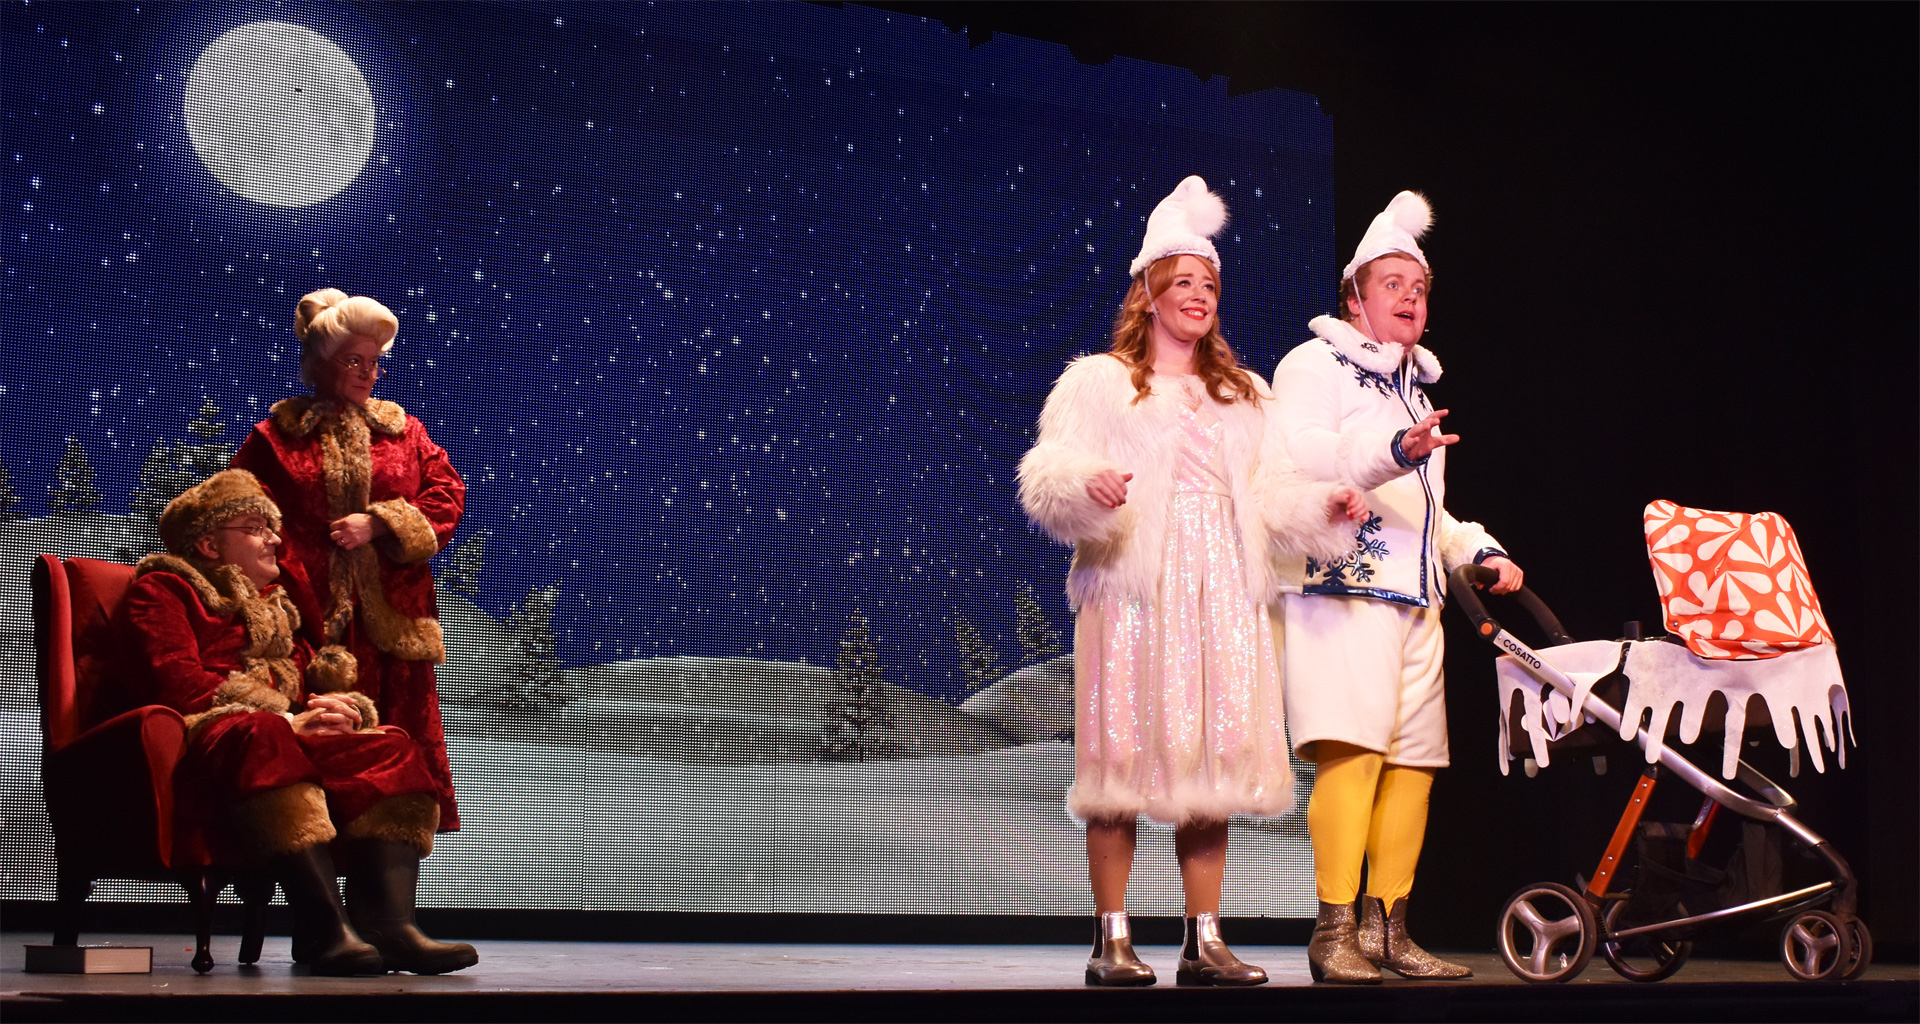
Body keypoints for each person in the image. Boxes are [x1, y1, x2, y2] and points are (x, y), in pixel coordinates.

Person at [1018, 176, 1368, 987]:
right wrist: (1088, 484)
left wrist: (1326, 506)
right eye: (1182, 282)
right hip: (1135, 594)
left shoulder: (1244, 395)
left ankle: (1203, 941)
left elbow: (1272, 494)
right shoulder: (1099, 382)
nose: (1199, 296)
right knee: (1119, 763)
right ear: (1149, 292)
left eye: (1209, 283)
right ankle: (1111, 940)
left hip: (1224, 595)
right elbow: (1047, 474)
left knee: (1213, 769)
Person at [1270, 191, 1525, 983]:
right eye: (1393, 285)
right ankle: (1334, 931)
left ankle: (1388, 930)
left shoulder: (1415, 389)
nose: (1410, 298)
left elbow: (1428, 514)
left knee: (1414, 764)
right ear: (1355, 297)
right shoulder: (1313, 364)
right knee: (1353, 753)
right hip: (1342, 592)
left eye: (1419, 287)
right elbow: (1305, 453)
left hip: (1417, 604)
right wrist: (1394, 450)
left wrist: (1478, 549)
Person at [115, 470, 477, 975]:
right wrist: (285, 719)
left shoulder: (275, 607)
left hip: (280, 736)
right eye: (255, 528)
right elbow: (177, 683)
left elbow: (303, 688)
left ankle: (388, 926)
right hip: (210, 744)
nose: (273, 539)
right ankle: (322, 929)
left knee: (391, 746)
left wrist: (335, 708)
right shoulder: (163, 590)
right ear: (209, 544)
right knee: (262, 735)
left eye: (272, 527)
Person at [231, 288, 471, 970]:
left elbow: (446, 495)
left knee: (396, 757)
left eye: (375, 361)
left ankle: (387, 922)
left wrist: (383, 521)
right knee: (320, 753)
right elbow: (244, 515)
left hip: (390, 630)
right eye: (355, 360)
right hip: (310, 630)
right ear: (319, 362)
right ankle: (326, 928)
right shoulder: (276, 438)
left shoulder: (404, 431)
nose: (369, 373)